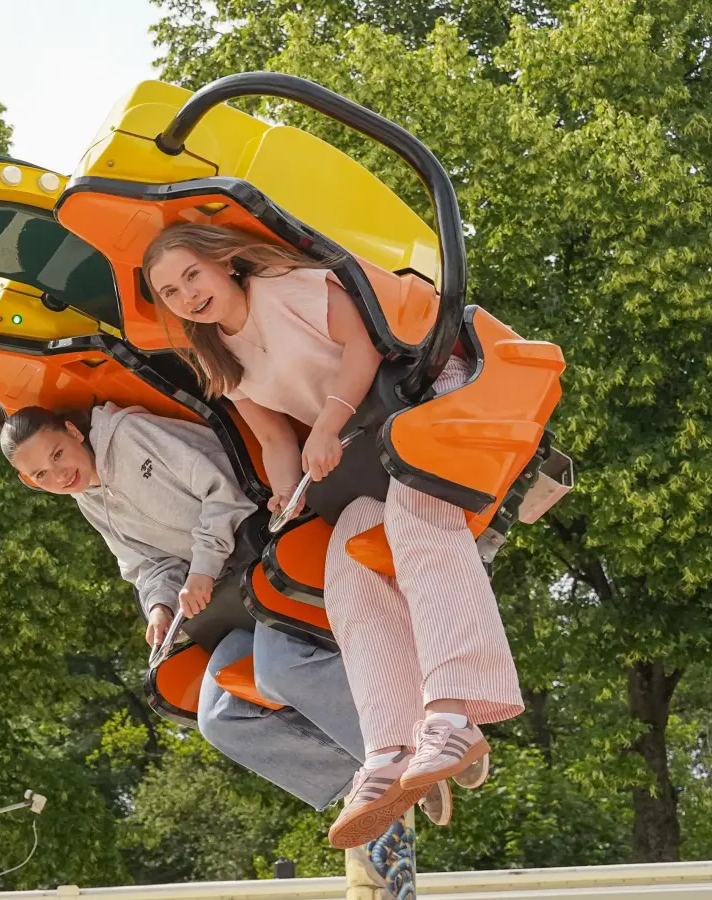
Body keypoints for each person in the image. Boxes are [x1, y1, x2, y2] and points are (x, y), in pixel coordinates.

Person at [143, 222, 516, 848]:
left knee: (418, 523)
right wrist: (283, 496)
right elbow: (274, 438)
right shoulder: (218, 356)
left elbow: (362, 349)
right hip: (369, 448)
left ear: (224, 261)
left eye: (191, 276)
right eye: (170, 293)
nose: (187, 296)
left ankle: (454, 713)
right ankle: (390, 747)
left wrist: (329, 424)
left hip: (426, 404)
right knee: (347, 572)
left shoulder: (284, 287)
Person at [0, 404, 450, 822]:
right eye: (41, 474)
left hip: (262, 554)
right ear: (29, 481)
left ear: (74, 431)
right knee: (220, 718)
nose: (59, 474)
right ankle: (381, 776)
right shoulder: (87, 498)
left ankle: (411, 744)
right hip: (226, 599)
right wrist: (158, 607)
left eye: (58, 454)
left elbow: (223, 491)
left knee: (280, 669)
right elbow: (147, 566)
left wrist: (202, 568)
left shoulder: (131, 435)